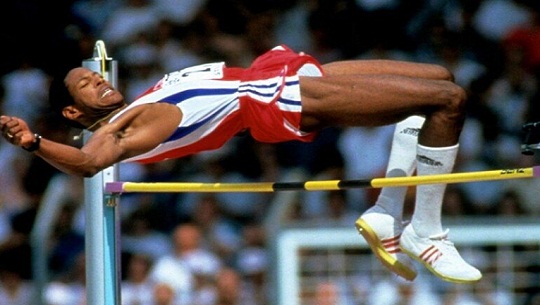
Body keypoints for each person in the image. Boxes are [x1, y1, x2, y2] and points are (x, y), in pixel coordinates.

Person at [0, 44, 481, 283]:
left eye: (94, 76)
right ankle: (426, 230)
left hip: (275, 72)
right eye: (86, 86)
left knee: (439, 78)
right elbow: (87, 162)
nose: (98, 83)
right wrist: (33, 141)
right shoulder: (116, 131)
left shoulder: (136, 99)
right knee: (448, 101)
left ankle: (387, 212)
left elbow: (107, 79)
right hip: (276, 98)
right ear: (73, 112)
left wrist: (96, 66)